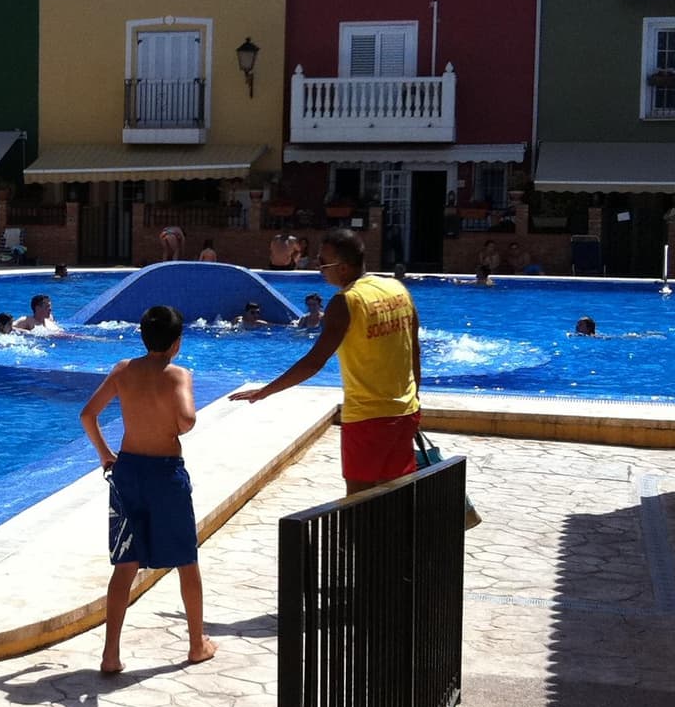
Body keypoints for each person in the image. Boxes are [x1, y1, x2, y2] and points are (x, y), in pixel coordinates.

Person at [230, 228, 422, 496]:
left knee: (360, 499)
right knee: (397, 494)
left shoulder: (346, 302)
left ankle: (366, 540)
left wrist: (265, 391)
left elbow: (314, 362)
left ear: (342, 268)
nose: (319, 268)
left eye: (322, 262)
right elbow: (414, 348)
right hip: (406, 411)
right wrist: (414, 397)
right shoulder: (396, 288)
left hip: (367, 417)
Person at [79, 304, 214, 675]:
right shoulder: (178, 375)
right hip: (165, 474)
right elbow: (187, 421)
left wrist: (106, 455)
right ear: (176, 343)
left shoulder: (124, 371)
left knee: (125, 564)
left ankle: (110, 654)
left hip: (127, 472)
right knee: (186, 558)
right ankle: (196, 644)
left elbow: (87, 414)